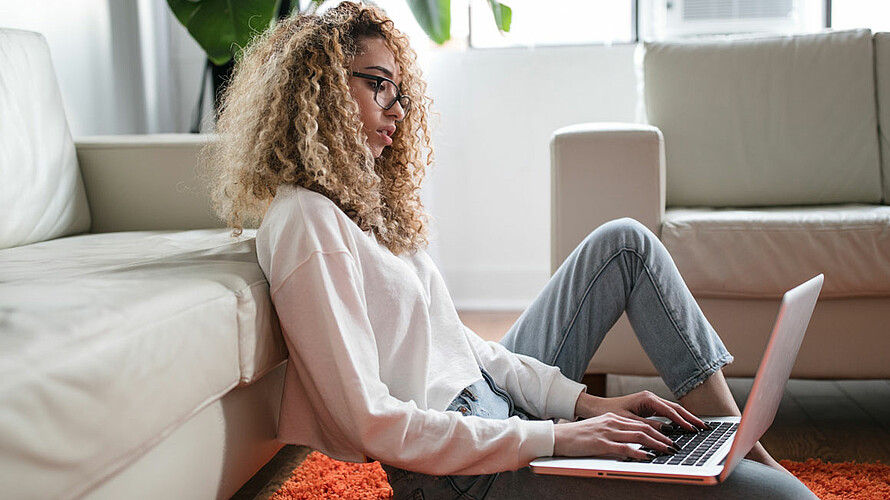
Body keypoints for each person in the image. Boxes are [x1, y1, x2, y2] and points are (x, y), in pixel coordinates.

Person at [207, 2, 816, 498]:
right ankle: (737, 461)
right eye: (378, 86)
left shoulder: (366, 211)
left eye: (400, 92)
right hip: (455, 477)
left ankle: (733, 440)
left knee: (624, 244)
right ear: (320, 91)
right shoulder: (305, 222)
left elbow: (462, 346)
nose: (396, 110)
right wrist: (556, 437)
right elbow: (369, 420)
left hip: (498, 417)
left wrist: (583, 404)